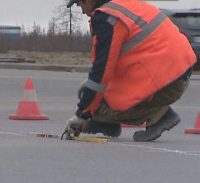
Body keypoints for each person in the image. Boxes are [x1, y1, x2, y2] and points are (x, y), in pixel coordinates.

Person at [62, 0, 196, 141]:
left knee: (90, 94)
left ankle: (159, 115)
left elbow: (100, 72)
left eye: (80, 5)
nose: (82, 11)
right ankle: (105, 123)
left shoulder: (107, 18)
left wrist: (81, 115)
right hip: (177, 72)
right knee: (91, 92)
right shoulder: (125, 6)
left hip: (166, 81)